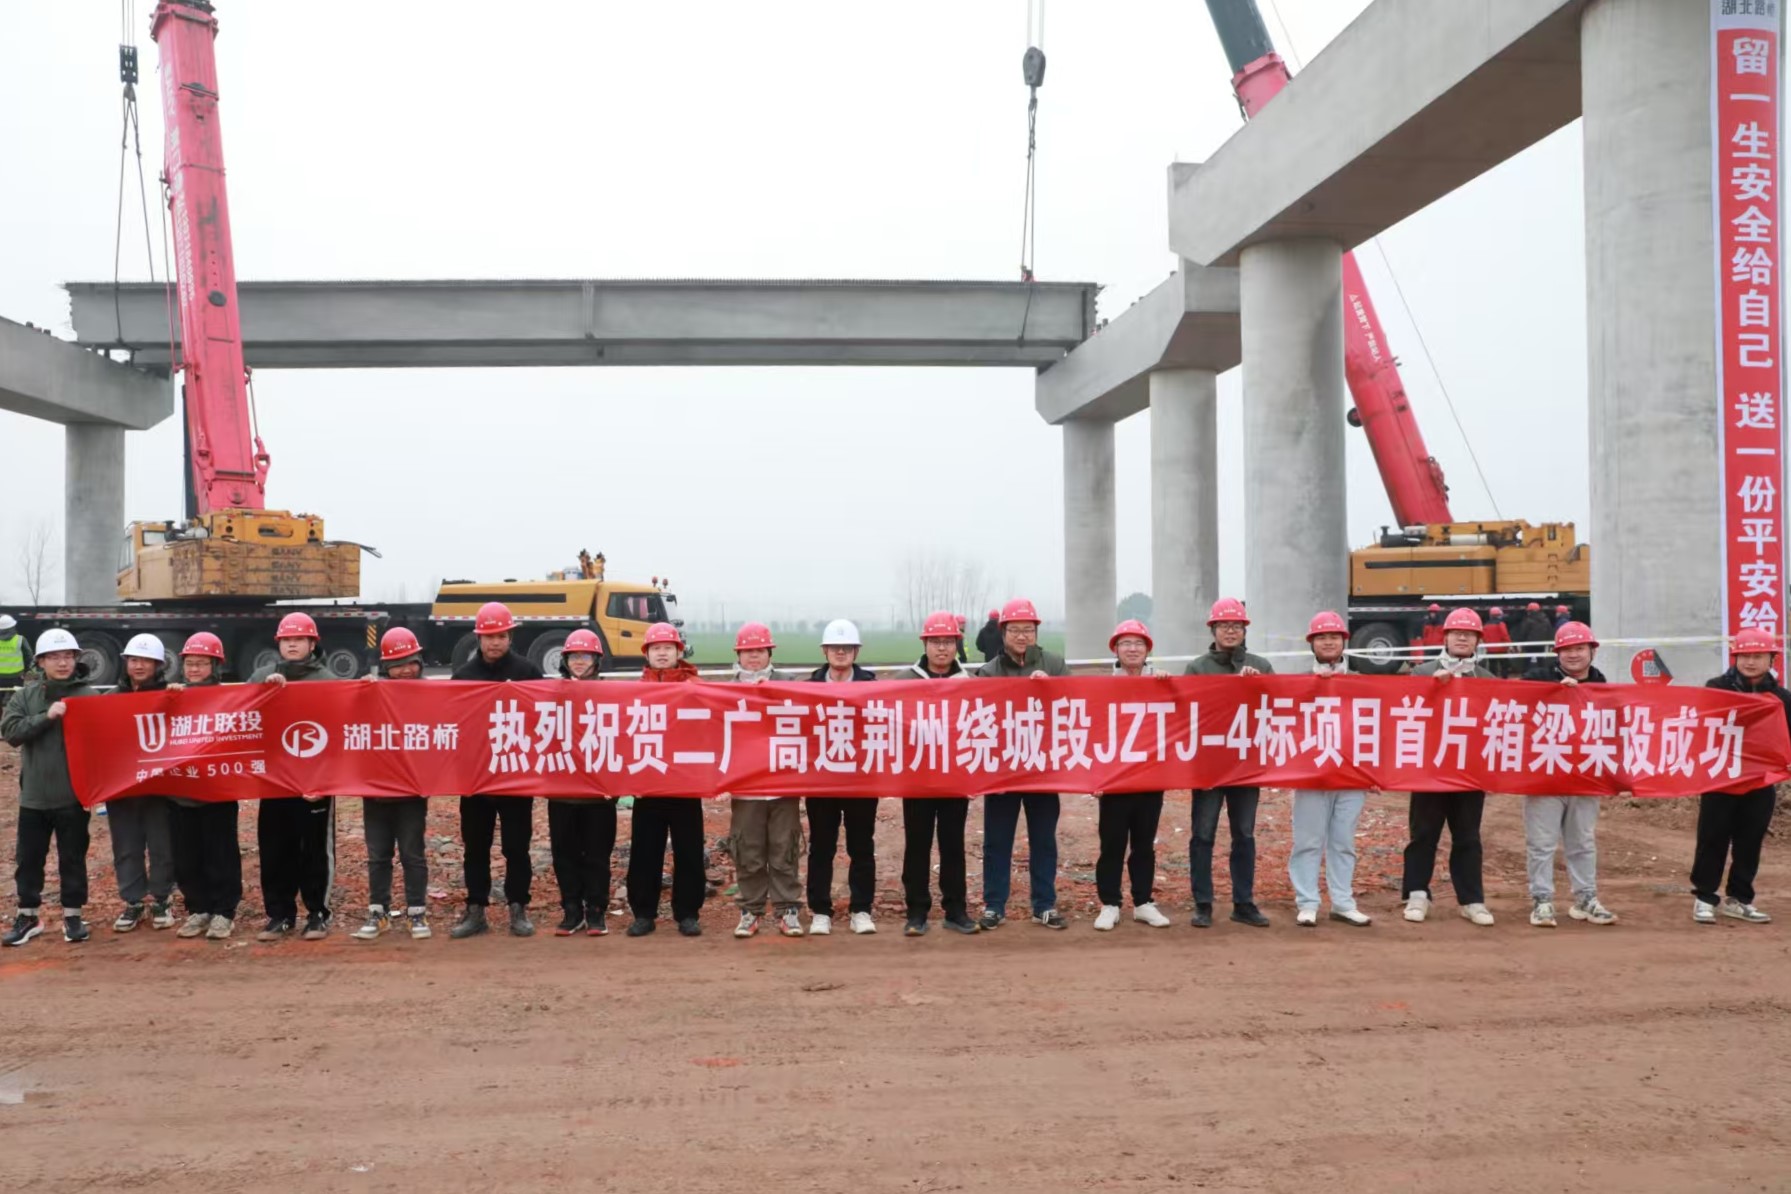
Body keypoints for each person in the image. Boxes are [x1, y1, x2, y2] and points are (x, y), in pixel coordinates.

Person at [449, 601, 544, 939]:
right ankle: (476, 910)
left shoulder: (528, 672)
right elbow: (451, 723)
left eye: (501, 636)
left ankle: (518, 908)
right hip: (476, 777)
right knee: (475, 847)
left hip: (515, 775)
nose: (495, 642)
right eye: (489, 636)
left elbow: (544, 717)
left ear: (510, 637)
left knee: (516, 847)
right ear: (479, 638)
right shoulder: (463, 676)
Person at [976, 598, 1070, 930]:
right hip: (1003, 769)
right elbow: (978, 715)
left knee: (1043, 839)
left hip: (1043, 768)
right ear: (1002, 633)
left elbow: (1075, 705)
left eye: (1028, 630)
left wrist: (1052, 688)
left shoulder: (1054, 664)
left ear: (1036, 632)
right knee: (997, 841)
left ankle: (1044, 904)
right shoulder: (989, 671)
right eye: (1014, 630)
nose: (1021, 636)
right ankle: (994, 905)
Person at [1, 629, 95, 947]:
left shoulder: (89, 696)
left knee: (73, 858)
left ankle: (73, 916)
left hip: (73, 796)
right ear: (40, 661)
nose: (62, 662)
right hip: (34, 797)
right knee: (29, 860)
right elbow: (11, 732)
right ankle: (28, 916)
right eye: (54, 657)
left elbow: (109, 738)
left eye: (68, 656)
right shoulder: (25, 696)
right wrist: (46, 716)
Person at [1403, 607, 1497, 927]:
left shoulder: (1487, 680)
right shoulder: (1421, 673)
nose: (1462, 638)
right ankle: (1417, 893)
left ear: (1477, 641)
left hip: (1469, 771)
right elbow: (1404, 712)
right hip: (1430, 769)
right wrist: (1431, 687)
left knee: (1468, 836)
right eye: (1456, 633)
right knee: (1423, 834)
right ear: (1444, 637)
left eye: (1469, 634)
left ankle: (1471, 900)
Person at [1521, 621, 1617, 928]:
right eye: (1566, 650)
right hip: (1546, 775)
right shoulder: (1538, 678)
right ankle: (1542, 900)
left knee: (1582, 841)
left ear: (1592, 651)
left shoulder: (1604, 687)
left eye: (1579, 648)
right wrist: (1553, 693)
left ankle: (1586, 898)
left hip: (1585, 777)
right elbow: (1514, 704)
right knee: (1541, 843)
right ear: (1557, 653)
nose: (1573, 655)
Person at [889, 611, 979, 936]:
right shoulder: (904, 681)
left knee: (953, 845)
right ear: (925, 644)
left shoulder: (970, 683)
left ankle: (956, 910)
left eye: (948, 642)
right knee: (917, 845)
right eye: (936, 642)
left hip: (955, 778)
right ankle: (916, 912)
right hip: (917, 778)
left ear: (957, 645)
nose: (942, 648)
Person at [249, 612, 338, 942]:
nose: (292, 644)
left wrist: (325, 781)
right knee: (274, 849)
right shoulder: (262, 675)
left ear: (312, 644)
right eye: (286, 639)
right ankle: (280, 914)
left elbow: (340, 731)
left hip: (314, 783)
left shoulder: (328, 681)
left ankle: (317, 914)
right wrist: (264, 692)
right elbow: (239, 714)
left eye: (299, 639)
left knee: (314, 851)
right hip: (274, 780)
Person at [1690, 628, 1788, 925]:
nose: (1750, 661)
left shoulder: (1781, 698)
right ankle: (1704, 897)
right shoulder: (1717, 688)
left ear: (1771, 659)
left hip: (1760, 781)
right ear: (1735, 658)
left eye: (1757, 656)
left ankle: (1740, 899)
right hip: (1721, 777)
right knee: (1712, 838)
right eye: (1744, 655)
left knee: (1750, 840)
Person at [1185, 598, 1273, 928]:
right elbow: (1187, 712)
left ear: (1245, 630)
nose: (1231, 631)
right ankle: (1203, 903)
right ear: (1213, 629)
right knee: (1202, 834)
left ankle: (1244, 902)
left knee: (1244, 834)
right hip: (1209, 765)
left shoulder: (1260, 665)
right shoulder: (1197, 668)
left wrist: (1259, 685)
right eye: (1224, 625)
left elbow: (1277, 706)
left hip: (1246, 765)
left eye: (1237, 626)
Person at [1288, 612, 1372, 928]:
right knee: (1308, 841)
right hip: (1311, 775)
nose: (1328, 642)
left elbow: (1378, 727)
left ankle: (1343, 902)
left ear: (1343, 642)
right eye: (1321, 637)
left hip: (1351, 776)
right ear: (1312, 643)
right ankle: (1307, 902)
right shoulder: (1297, 683)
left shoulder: (1362, 681)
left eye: (1334, 637)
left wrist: (1375, 772)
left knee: (1343, 842)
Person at [625, 622, 706, 937]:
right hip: (648, 784)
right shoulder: (633, 691)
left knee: (689, 852)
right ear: (646, 654)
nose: (662, 653)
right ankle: (644, 914)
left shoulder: (696, 687)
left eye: (667, 648)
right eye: (656, 648)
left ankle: (687, 913)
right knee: (644, 853)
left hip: (686, 784)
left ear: (678, 652)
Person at [351, 628, 433, 941]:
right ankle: (378, 912)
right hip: (376, 791)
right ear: (386, 666)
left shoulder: (433, 695)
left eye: (411, 662)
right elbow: (345, 713)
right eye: (397, 664)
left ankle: (417, 912)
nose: (406, 670)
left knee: (413, 854)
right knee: (378, 855)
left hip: (412, 792)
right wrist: (362, 688)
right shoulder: (373, 692)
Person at [1093, 619, 1172, 931]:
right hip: (1115, 780)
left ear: (1148, 649)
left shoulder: (1160, 682)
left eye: (1139, 643)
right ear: (1115, 649)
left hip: (1150, 778)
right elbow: (1094, 732)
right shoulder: (1102, 688)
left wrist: (1168, 685)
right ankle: (1109, 904)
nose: (1132, 649)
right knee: (1112, 844)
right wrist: (1095, 777)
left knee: (1144, 844)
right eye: (1125, 643)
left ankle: (1142, 902)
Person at [725, 623, 802, 939]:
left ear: (770, 652)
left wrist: (773, 692)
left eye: (759, 650)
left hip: (783, 784)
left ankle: (788, 910)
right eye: (747, 651)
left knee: (785, 849)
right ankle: (750, 911)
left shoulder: (790, 684)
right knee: (748, 851)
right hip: (746, 787)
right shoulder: (725, 691)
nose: (753, 656)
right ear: (738, 655)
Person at [164, 633, 242, 940]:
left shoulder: (227, 698)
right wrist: (168, 698)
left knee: (221, 854)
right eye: (190, 663)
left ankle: (224, 912)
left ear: (216, 666)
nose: (194, 669)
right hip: (180, 794)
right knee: (186, 857)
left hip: (217, 793)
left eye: (201, 663)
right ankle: (198, 909)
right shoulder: (173, 696)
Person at [805, 618, 880, 935]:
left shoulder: (873, 686)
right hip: (821, 780)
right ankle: (820, 910)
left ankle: (861, 909)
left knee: (861, 846)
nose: (840, 652)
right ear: (824, 651)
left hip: (861, 779)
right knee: (821, 847)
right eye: (834, 647)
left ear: (856, 651)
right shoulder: (806, 688)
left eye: (847, 647)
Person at [547, 629, 619, 937]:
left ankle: (596, 910)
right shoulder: (552, 694)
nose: (579, 661)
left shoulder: (612, 695)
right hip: (562, 793)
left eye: (585, 656)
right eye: (573, 656)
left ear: (596, 660)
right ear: (565, 660)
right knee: (564, 855)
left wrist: (616, 785)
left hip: (599, 794)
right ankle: (572, 909)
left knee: (597, 856)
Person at [107, 634, 176, 933]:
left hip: (160, 787)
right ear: (126, 662)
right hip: (122, 787)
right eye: (134, 659)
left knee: (162, 845)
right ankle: (133, 901)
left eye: (146, 660)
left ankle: (162, 899)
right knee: (126, 846)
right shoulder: (109, 700)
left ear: (158, 665)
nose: (139, 666)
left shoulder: (171, 696)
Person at [0, 613, 33, 698]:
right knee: (17, 699)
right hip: (17, 676)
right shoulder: (20, 639)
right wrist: (26, 670)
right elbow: (29, 656)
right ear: (13, 627)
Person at [1481, 607, 1514, 677]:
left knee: (1492, 666)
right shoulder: (1501, 624)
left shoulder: (1486, 625)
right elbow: (1505, 635)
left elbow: (1484, 637)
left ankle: (1493, 679)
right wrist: (1509, 644)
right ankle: (1504, 679)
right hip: (1502, 649)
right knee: (1504, 665)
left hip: (1490, 649)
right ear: (1499, 615)